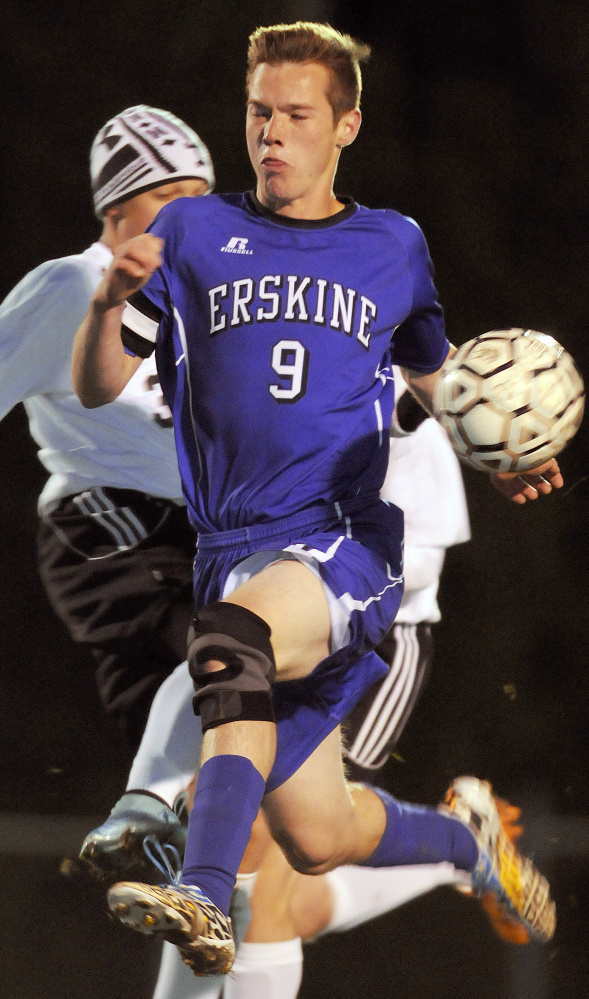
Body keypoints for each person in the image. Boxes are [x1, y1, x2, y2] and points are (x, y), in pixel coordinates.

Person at [72, 22, 560, 977]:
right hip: (231, 549)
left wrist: (494, 452)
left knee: (231, 643)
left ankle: (202, 890)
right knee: (318, 834)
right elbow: (97, 385)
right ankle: (466, 845)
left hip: (338, 543)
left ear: (346, 126)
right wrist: (103, 305)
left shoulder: (393, 246)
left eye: (297, 115)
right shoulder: (193, 232)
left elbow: (435, 378)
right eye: (260, 112)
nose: (271, 133)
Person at [0, 105, 214, 753]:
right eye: (167, 194)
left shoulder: (195, 301)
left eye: (200, 195)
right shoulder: (73, 282)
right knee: (234, 653)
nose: (189, 213)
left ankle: (156, 807)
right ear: (115, 206)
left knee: (192, 761)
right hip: (110, 524)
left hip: (192, 535)